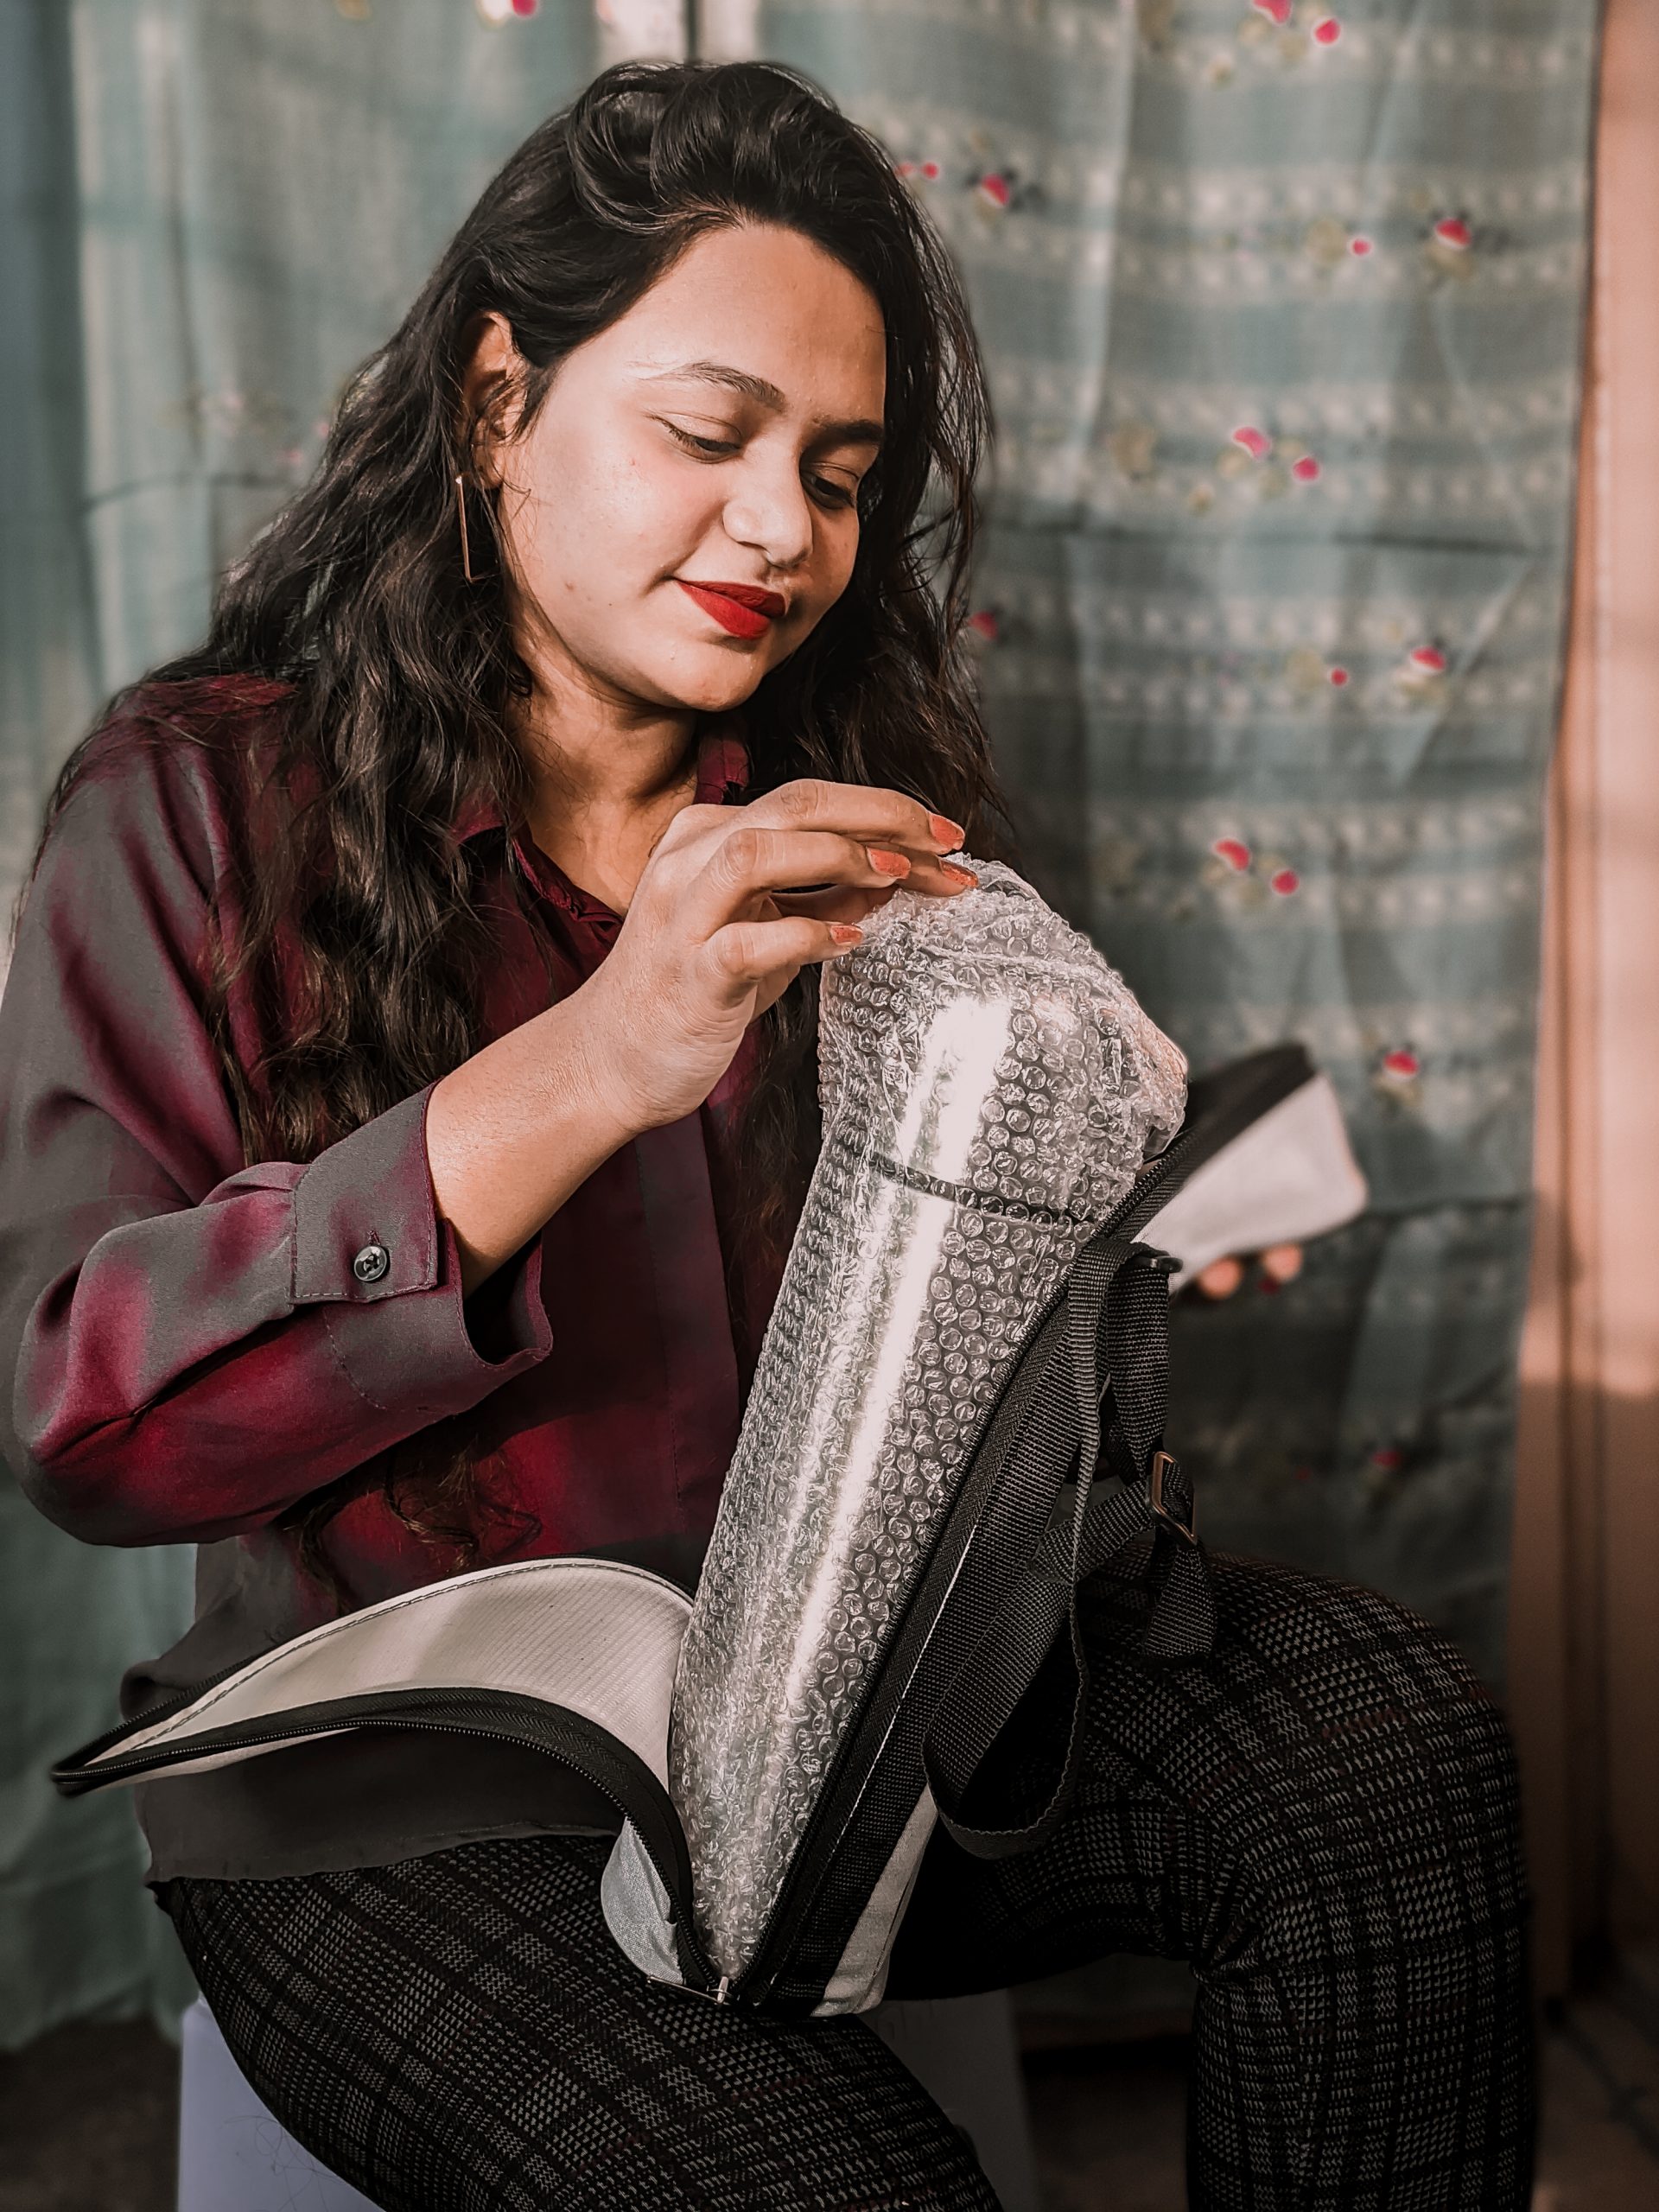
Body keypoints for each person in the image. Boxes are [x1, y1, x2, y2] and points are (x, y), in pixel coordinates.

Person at [0, 60, 1532, 2212]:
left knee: (1386, 1745)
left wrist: (1092, 1284)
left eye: (837, 471)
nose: (780, 533)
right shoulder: (190, 810)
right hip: (409, 1797)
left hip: (853, 1723)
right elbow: (83, 1416)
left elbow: (921, 1373)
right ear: (497, 408)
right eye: (706, 437)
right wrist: (603, 1053)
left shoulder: (857, 818)